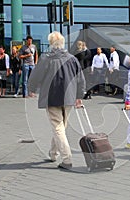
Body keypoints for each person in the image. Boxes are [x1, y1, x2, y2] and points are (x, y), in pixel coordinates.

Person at [28, 31, 85, 170]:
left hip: (52, 96)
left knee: (58, 127)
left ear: (51, 44)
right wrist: (79, 96)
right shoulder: (72, 58)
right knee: (61, 127)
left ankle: (67, 158)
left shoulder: (46, 58)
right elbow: (80, 79)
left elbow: (36, 75)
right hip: (68, 97)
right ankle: (54, 153)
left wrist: (32, 88)